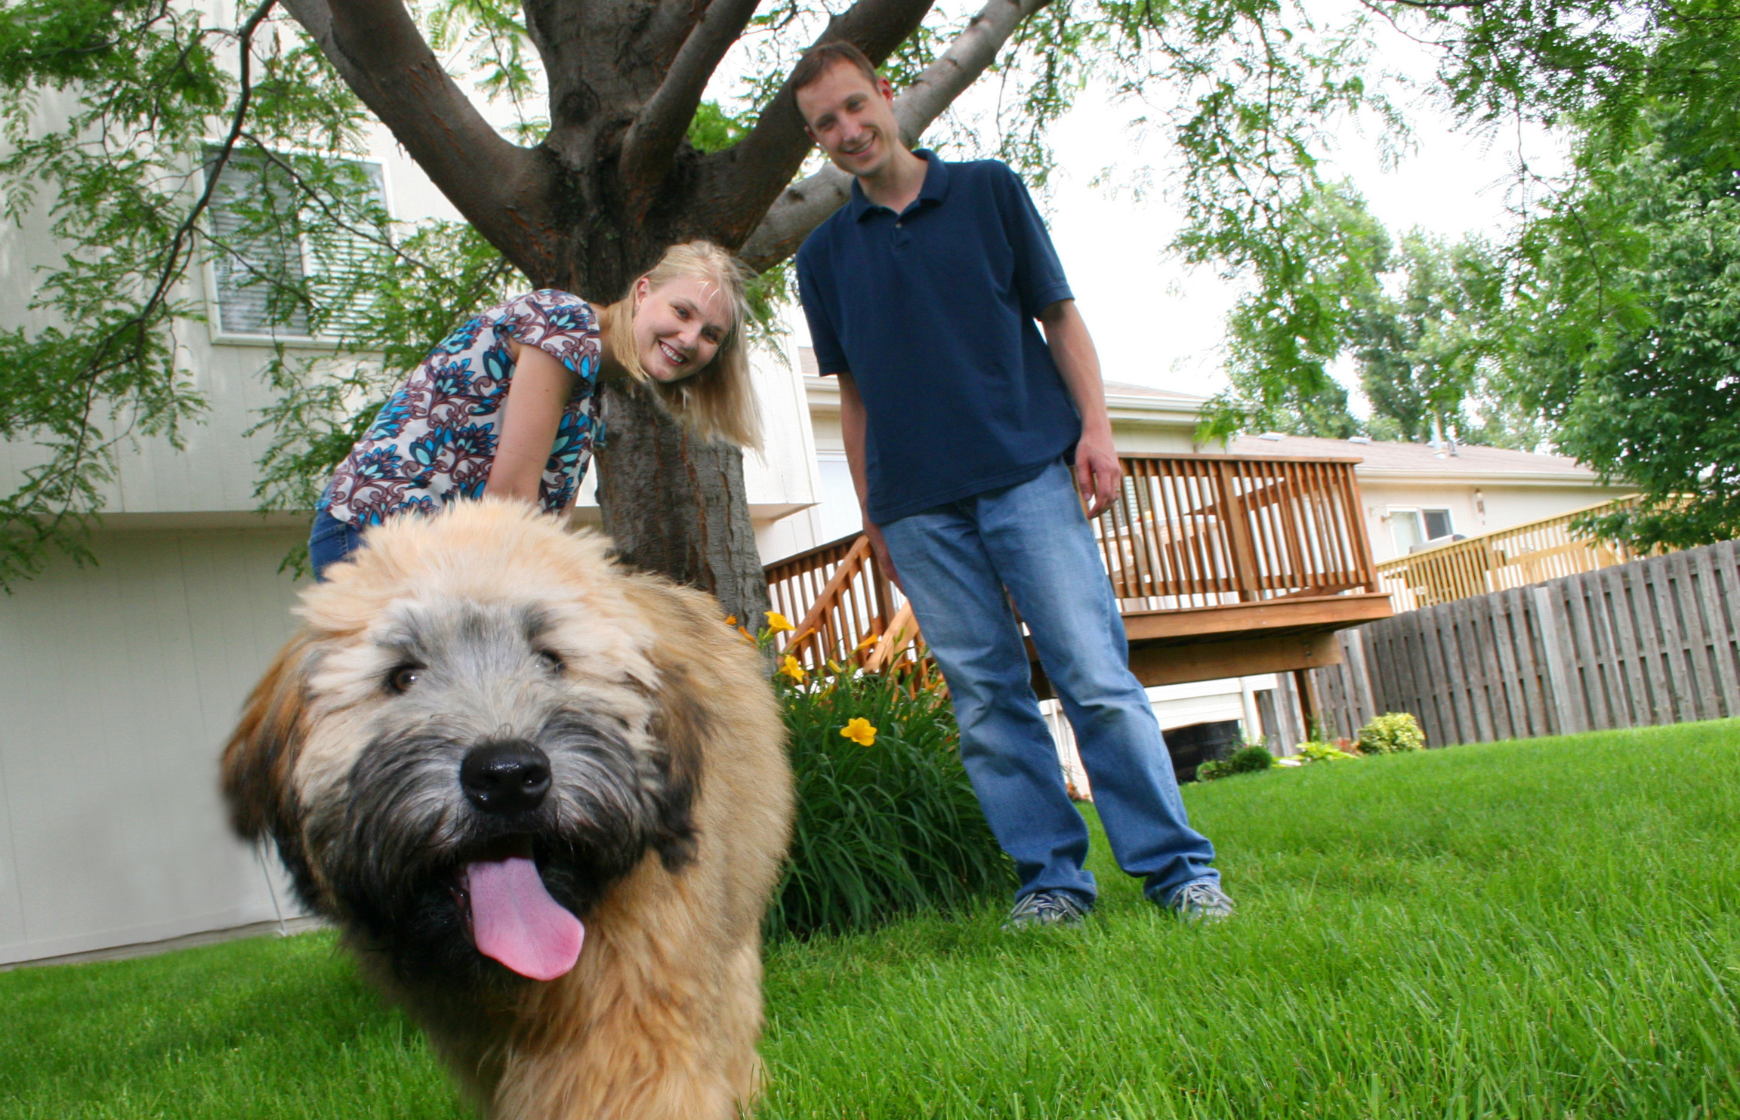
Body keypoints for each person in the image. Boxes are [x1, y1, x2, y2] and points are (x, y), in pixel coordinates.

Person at [791, 42, 1233, 927]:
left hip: (1029, 470)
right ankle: (1052, 883)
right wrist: (876, 519)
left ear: (886, 93)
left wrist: (1097, 433)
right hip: (919, 507)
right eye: (824, 125)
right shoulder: (825, 255)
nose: (847, 131)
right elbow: (854, 397)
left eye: (853, 106)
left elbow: (1060, 318)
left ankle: (1178, 872)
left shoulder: (989, 190)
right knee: (987, 701)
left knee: (1093, 677)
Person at [308, 242, 759, 579]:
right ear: (643, 292)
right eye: (682, 312)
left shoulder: (591, 392)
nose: (688, 338)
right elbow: (509, 502)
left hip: (432, 550)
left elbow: (546, 521)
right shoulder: (564, 323)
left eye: (710, 335)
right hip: (373, 532)